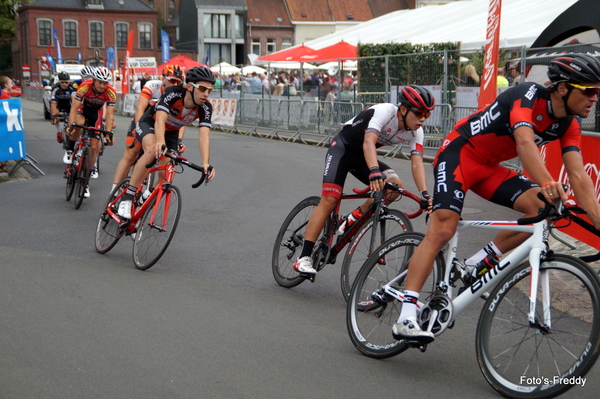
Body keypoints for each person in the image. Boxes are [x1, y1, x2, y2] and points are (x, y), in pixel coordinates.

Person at [392, 53, 600, 343]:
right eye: (589, 91)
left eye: (598, 92)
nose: (595, 98)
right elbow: (525, 142)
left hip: (489, 167)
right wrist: (549, 181)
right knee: (443, 228)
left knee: (542, 208)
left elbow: (579, 176)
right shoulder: (526, 94)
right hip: (460, 153)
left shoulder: (570, 124)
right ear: (563, 88)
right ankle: (406, 314)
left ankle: (477, 263)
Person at [292, 85, 435, 276]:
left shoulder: (416, 132)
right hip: (342, 150)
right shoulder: (385, 111)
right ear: (403, 109)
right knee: (330, 199)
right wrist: (374, 170)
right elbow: (369, 141)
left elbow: (417, 163)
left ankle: (353, 216)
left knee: (394, 187)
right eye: (419, 113)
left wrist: (425, 195)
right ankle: (304, 256)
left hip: (363, 157)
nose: (423, 119)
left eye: (427, 114)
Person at [116, 66, 217, 220]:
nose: (206, 93)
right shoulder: (173, 93)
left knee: (168, 176)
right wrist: (160, 142)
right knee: (151, 151)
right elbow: (161, 119)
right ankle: (128, 197)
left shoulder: (205, 107)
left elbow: (204, 136)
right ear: (190, 86)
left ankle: (145, 199)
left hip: (172, 132)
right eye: (203, 88)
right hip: (151, 122)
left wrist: (205, 164)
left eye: (210, 89)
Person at [110, 65, 185, 192]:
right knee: (131, 154)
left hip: (163, 125)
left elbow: (181, 121)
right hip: (145, 120)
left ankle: (147, 195)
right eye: (172, 80)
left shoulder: (180, 94)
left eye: (178, 81)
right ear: (163, 78)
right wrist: (138, 128)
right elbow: (140, 108)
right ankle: (113, 191)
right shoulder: (152, 85)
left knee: (163, 162)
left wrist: (179, 141)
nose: (175, 84)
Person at [66, 66, 116, 198]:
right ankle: (71, 150)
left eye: (105, 83)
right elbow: (74, 108)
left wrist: (108, 134)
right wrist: (71, 125)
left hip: (96, 114)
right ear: (93, 80)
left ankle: (85, 181)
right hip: (83, 110)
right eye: (100, 82)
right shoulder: (84, 86)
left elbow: (110, 115)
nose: (102, 85)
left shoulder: (110, 92)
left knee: (94, 147)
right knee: (79, 124)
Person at [49, 71, 76, 154]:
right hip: (59, 104)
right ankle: (59, 131)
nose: (64, 84)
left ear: (69, 81)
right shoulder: (55, 88)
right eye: (62, 82)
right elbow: (53, 103)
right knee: (54, 116)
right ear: (59, 81)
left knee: (73, 118)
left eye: (66, 82)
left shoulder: (72, 87)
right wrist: (54, 115)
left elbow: (75, 103)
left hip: (69, 104)